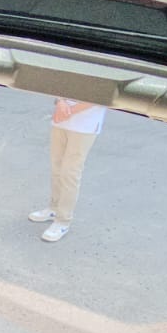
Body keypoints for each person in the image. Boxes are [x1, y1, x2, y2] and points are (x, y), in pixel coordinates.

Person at [28, 97, 106, 242]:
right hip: (61, 119)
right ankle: (53, 208)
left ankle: (63, 221)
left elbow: (103, 95)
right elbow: (62, 81)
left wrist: (71, 110)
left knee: (70, 173)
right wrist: (60, 101)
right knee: (56, 167)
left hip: (85, 124)